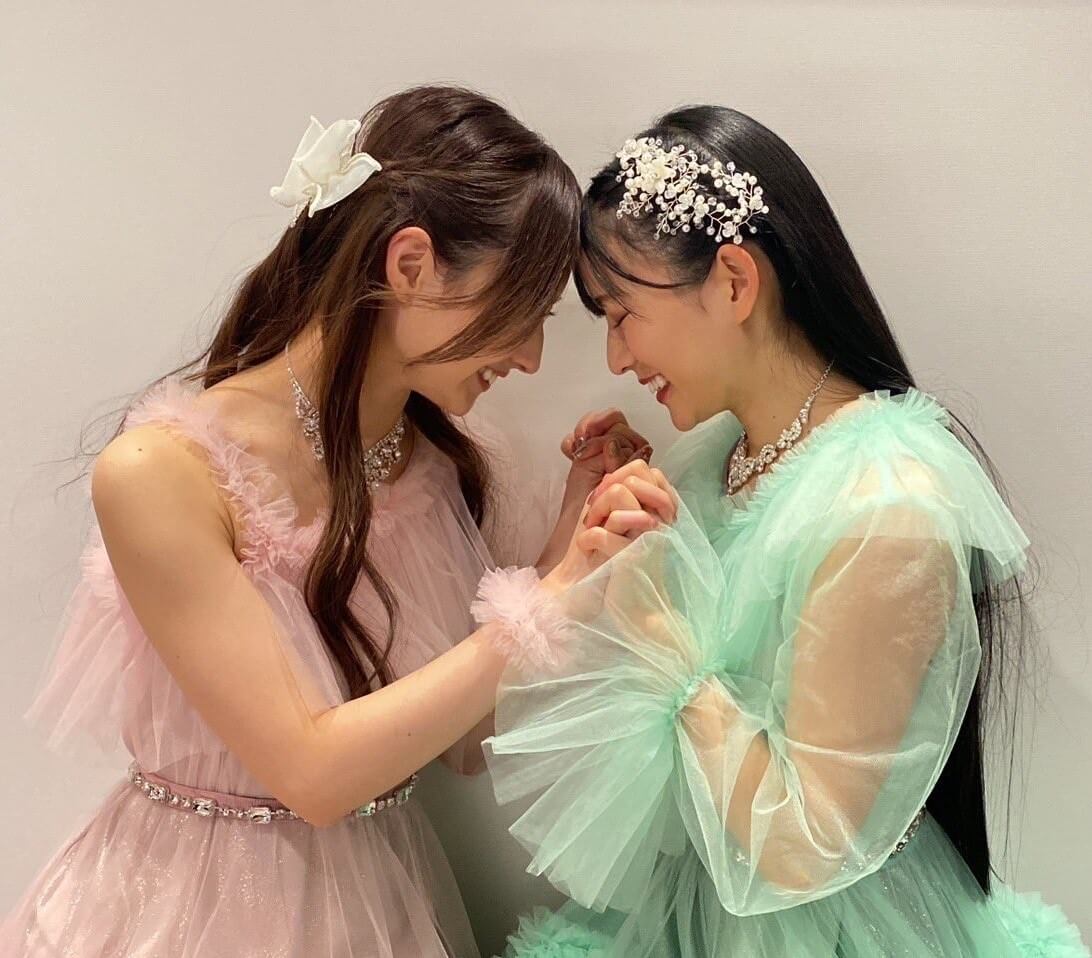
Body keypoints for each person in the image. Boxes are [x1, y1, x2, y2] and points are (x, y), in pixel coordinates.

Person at [0, 85, 659, 958]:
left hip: (377, 900)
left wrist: (575, 535)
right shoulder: (165, 472)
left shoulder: (438, 465)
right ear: (410, 264)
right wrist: (553, 595)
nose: (532, 358)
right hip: (185, 912)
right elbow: (311, 775)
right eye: (521, 314)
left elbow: (463, 743)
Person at [483, 107, 1090, 957]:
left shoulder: (886, 505)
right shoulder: (715, 461)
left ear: (734, 281)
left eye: (622, 314)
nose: (616, 359)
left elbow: (809, 845)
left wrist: (664, 638)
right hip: (697, 911)